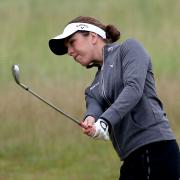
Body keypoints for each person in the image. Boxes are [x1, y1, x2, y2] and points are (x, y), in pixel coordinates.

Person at [48, 16, 180, 180]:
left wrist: (104, 121)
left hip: (156, 149)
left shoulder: (129, 49)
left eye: (72, 42)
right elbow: (94, 108)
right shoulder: (92, 88)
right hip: (131, 158)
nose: (69, 52)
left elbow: (133, 88)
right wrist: (91, 119)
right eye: (67, 47)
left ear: (93, 37)